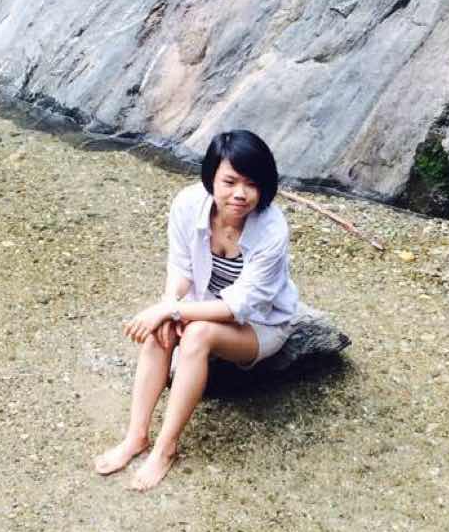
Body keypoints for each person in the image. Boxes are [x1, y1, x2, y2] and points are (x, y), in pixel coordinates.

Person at [94, 129, 300, 491]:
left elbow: (240, 306)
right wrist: (169, 306)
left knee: (196, 334)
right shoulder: (188, 204)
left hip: (260, 324)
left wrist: (174, 312)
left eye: (251, 184)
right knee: (161, 330)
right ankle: (136, 436)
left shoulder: (272, 229)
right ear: (211, 178)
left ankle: (166, 448)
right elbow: (181, 268)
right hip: (203, 303)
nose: (240, 194)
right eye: (230, 182)